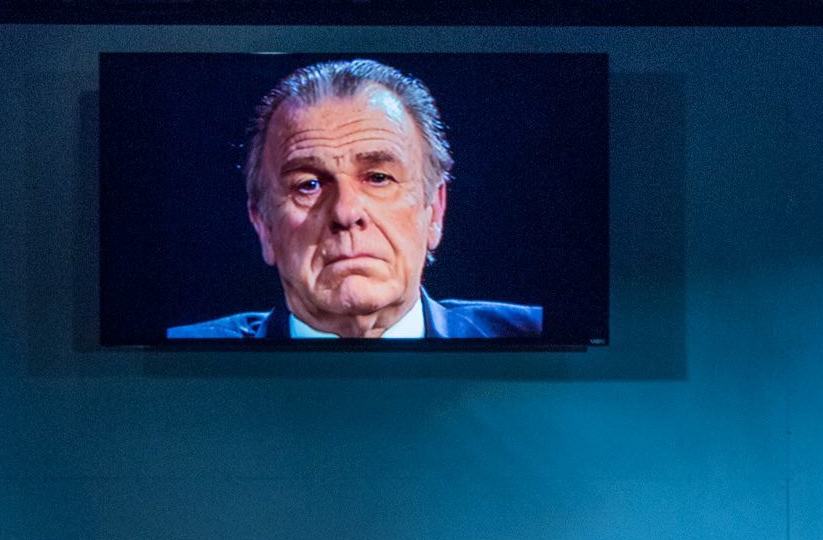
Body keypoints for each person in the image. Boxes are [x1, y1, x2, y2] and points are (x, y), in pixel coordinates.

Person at [167, 59, 543, 341]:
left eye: (378, 178)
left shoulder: (531, 338)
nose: (346, 212)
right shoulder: (181, 365)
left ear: (435, 211)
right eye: (309, 185)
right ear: (263, 226)